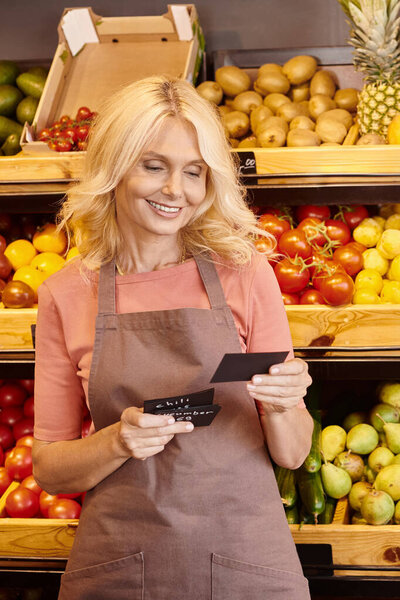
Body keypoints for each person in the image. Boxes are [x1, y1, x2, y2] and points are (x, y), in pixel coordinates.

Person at [32, 75, 313, 600]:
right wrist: (117, 440)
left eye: (193, 172)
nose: (174, 191)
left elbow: (294, 454)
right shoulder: (66, 294)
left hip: (244, 562)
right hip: (120, 566)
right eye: (153, 165)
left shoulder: (246, 274)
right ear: (115, 167)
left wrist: (283, 405)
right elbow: (48, 468)